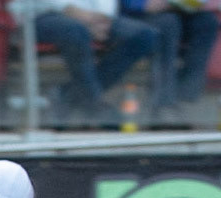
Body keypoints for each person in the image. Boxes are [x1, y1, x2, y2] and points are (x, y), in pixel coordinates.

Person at [30, 0, 158, 129]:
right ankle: (96, 107)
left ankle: (68, 96)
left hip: (95, 17)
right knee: (76, 31)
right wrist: (75, 12)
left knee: (144, 36)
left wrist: (101, 18)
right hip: (44, 13)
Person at [120, 0, 219, 121]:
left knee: (206, 21)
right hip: (138, 14)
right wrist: (142, 5)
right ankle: (163, 103)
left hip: (177, 11)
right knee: (168, 23)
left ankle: (185, 96)